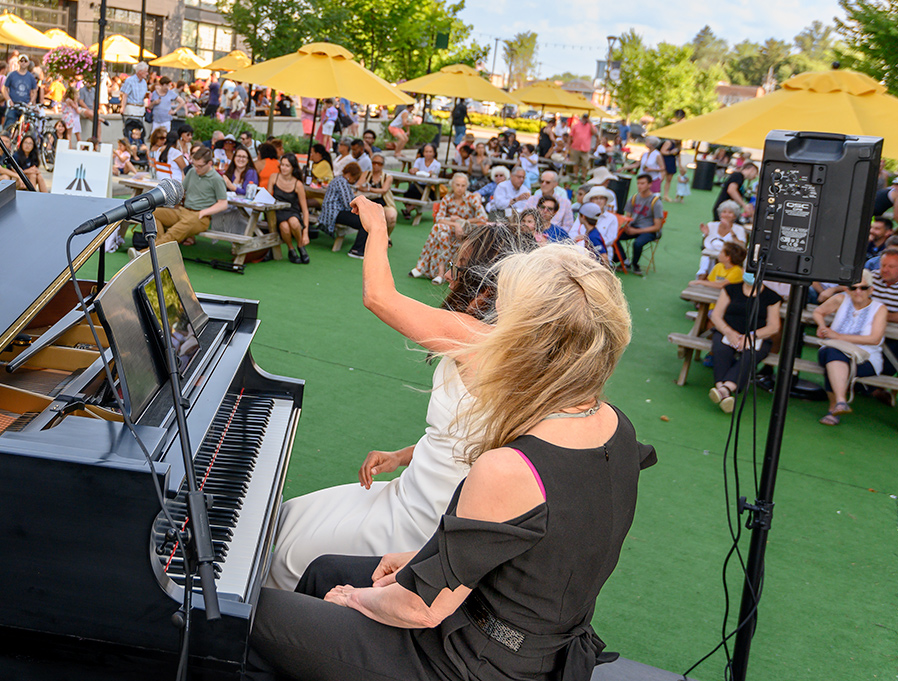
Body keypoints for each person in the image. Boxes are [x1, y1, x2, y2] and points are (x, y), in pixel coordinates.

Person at [246, 229, 650, 681]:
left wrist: (354, 599)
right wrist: (423, 557)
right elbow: (529, 552)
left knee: (252, 614)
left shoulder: (508, 466)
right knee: (323, 570)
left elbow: (422, 608)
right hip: (512, 624)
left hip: (471, 657)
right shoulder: (615, 425)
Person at [267, 219, 531, 591]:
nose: (449, 277)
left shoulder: (479, 339)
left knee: (294, 556)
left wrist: (376, 228)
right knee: (295, 515)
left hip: (421, 517)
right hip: (412, 488)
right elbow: (466, 435)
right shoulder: (501, 339)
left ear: (484, 284)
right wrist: (402, 456)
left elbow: (379, 297)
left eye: (458, 270)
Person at [812, 270, 887, 426]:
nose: (858, 291)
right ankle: (840, 402)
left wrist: (838, 336)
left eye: (863, 288)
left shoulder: (879, 309)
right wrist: (822, 326)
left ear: (871, 289)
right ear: (847, 289)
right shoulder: (840, 299)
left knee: (832, 359)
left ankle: (835, 407)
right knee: (833, 354)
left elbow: (874, 339)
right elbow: (818, 311)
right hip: (834, 349)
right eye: (853, 288)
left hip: (866, 357)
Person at [706, 269, 783, 413]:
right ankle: (726, 392)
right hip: (728, 331)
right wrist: (728, 332)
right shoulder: (730, 289)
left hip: (757, 336)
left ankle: (723, 389)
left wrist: (752, 336)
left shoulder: (772, 298)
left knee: (750, 354)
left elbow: (774, 326)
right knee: (721, 349)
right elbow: (716, 315)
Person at [412, 173, 487, 282]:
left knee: (438, 228)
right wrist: (455, 224)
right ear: (452, 185)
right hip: (450, 231)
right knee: (441, 233)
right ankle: (441, 273)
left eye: (463, 185)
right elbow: (439, 218)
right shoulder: (447, 198)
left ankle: (421, 267)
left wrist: (462, 221)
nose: (460, 188)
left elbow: (483, 217)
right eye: (457, 185)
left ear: (466, 186)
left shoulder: (472, 198)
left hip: (468, 230)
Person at [152, 146, 229, 246]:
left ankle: (149, 253)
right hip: (184, 211)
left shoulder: (217, 179)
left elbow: (223, 204)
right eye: (194, 165)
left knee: (176, 230)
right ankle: (155, 249)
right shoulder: (192, 172)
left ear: (210, 163)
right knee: (152, 213)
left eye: (200, 166)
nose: (196, 168)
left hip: (201, 216)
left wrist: (202, 213)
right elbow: (182, 191)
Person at [618, 173, 664, 272]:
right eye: (638, 183)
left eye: (642, 183)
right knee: (614, 236)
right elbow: (627, 217)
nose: (639, 186)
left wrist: (636, 231)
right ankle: (624, 261)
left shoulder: (656, 202)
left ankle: (635, 264)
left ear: (650, 185)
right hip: (633, 226)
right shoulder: (633, 198)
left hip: (649, 230)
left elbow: (657, 227)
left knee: (637, 243)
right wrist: (626, 227)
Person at [272, 155, 312, 264]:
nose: (284, 168)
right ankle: (291, 248)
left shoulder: (297, 184)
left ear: (293, 168)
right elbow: (267, 197)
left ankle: (300, 245)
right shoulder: (274, 177)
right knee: (284, 226)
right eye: (282, 165)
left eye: (287, 166)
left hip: (292, 211)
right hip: (277, 210)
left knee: (294, 222)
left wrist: (306, 232)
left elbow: (305, 210)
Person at [698, 201, 746, 277]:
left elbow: (742, 246)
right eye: (724, 212)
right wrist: (706, 234)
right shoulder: (711, 225)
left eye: (730, 212)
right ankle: (702, 276)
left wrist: (730, 230)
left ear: (734, 216)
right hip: (712, 252)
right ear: (720, 214)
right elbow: (706, 244)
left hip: (729, 255)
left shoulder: (739, 229)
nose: (726, 215)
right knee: (705, 257)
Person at [355, 154, 397, 227]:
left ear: (383, 165)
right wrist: (370, 189)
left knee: (391, 217)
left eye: (379, 163)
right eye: (374, 163)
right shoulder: (366, 173)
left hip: (383, 202)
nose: (376, 165)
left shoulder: (387, 177)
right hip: (368, 202)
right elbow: (358, 186)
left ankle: (387, 236)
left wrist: (368, 189)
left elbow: (384, 190)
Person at [2, 55, 38, 126]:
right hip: (13, 105)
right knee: (9, 126)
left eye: (25, 61)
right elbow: (4, 88)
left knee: (25, 128)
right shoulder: (12, 75)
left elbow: (34, 92)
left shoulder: (31, 77)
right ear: (18, 62)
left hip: (25, 106)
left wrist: (30, 103)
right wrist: (9, 100)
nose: (23, 63)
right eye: (21, 61)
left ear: (28, 63)